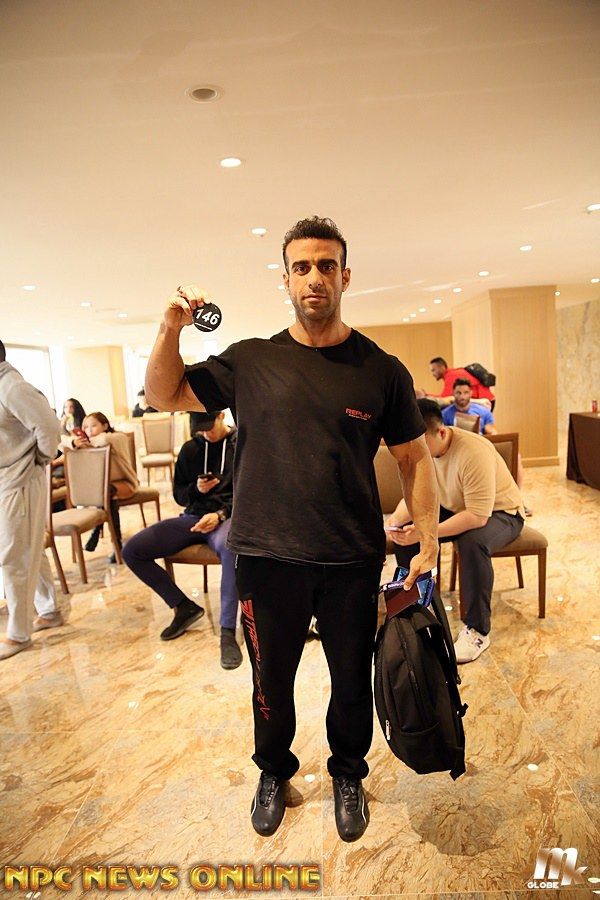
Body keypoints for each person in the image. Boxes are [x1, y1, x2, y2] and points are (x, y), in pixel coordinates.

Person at [144, 216, 438, 843]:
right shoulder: (250, 360)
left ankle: (348, 773)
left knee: (351, 680)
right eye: (301, 267)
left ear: (345, 276)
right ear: (285, 280)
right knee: (269, 682)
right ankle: (273, 771)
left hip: (350, 558)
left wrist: (429, 541)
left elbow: (414, 459)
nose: (314, 278)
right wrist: (170, 327)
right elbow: (165, 394)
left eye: (326, 265)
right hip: (265, 558)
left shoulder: (381, 370)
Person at [388, 399, 524, 665]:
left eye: (422, 444)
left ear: (440, 432)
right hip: (457, 506)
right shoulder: (425, 452)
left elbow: (477, 517)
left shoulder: (473, 451)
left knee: (472, 542)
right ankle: (418, 608)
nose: (417, 452)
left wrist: (426, 533)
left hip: (502, 513)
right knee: (406, 534)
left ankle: (477, 631)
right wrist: (393, 522)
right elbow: (415, 496)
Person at [123, 410, 241, 669]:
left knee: (230, 547)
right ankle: (183, 606)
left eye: (210, 426)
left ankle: (228, 631)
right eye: (201, 429)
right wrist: (195, 490)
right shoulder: (190, 450)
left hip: (226, 518)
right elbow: (179, 495)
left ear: (221, 417)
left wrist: (220, 514)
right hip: (193, 518)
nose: (206, 433)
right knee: (132, 550)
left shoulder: (240, 445)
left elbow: (249, 494)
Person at [0, 339, 64, 660]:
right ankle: (48, 609)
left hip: (20, 478)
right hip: (8, 479)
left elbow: (49, 427)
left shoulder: (11, 386)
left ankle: (18, 633)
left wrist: (40, 459)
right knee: (27, 546)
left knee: (14, 556)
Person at [68, 412, 138, 562]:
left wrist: (85, 442)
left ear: (105, 425)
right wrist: (74, 442)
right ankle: (116, 544)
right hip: (103, 491)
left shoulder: (117, 438)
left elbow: (105, 439)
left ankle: (98, 531)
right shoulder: (89, 444)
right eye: (85, 427)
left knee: (106, 492)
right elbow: (62, 444)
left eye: (93, 426)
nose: (89, 430)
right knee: (106, 495)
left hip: (126, 483)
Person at [416, 357, 495, 409]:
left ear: (442, 367)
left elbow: (446, 398)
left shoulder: (451, 376)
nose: (432, 374)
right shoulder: (454, 372)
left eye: (433, 370)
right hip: (486, 400)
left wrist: (426, 395)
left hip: (485, 402)